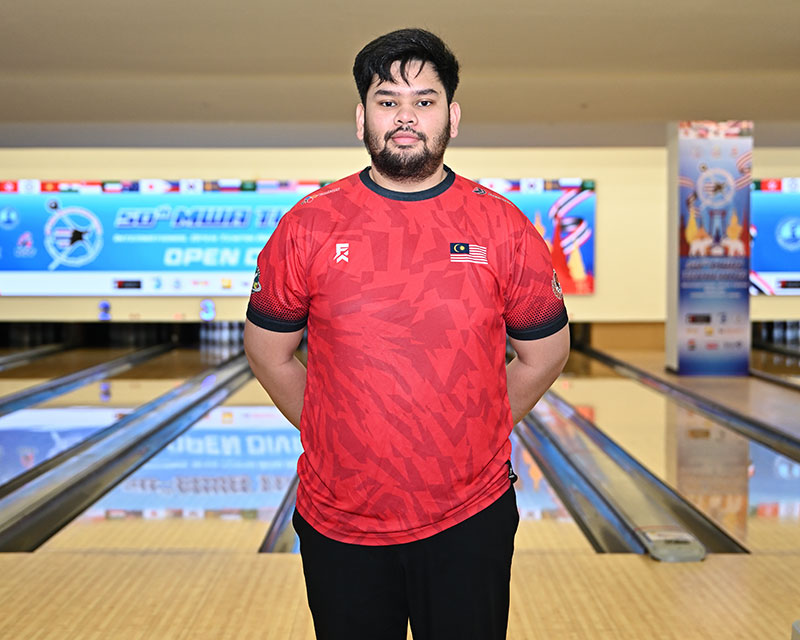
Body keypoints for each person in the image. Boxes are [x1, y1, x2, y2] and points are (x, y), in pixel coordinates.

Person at [244, 27, 570, 640]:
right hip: (340, 520)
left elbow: (545, 353)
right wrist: (331, 430)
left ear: (452, 116)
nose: (405, 116)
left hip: (469, 515)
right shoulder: (308, 224)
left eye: (424, 100)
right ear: (360, 118)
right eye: (387, 100)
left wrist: (480, 426)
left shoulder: (502, 225)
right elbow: (268, 352)